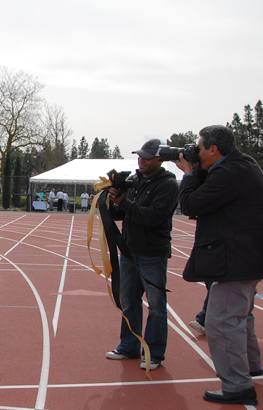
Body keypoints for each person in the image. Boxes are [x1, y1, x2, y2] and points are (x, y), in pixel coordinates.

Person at [176, 125, 263, 406]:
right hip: (247, 257)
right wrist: (198, 169)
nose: (196, 153)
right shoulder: (244, 163)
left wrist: (189, 173)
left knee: (221, 323)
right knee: (241, 317)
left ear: (213, 150)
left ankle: (238, 386)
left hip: (234, 259)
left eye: (199, 148)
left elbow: (191, 204)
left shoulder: (228, 173)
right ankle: (250, 367)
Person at [105, 138, 179, 370]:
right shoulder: (135, 180)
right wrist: (110, 202)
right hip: (129, 252)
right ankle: (129, 347)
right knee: (128, 301)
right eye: (140, 155)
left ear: (160, 159)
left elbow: (152, 217)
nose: (142, 160)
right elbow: (123, 214)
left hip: (152, 253)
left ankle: (154, 353)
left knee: (156, 305)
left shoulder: (168, 184)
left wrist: (124, 203)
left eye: (147, 157)